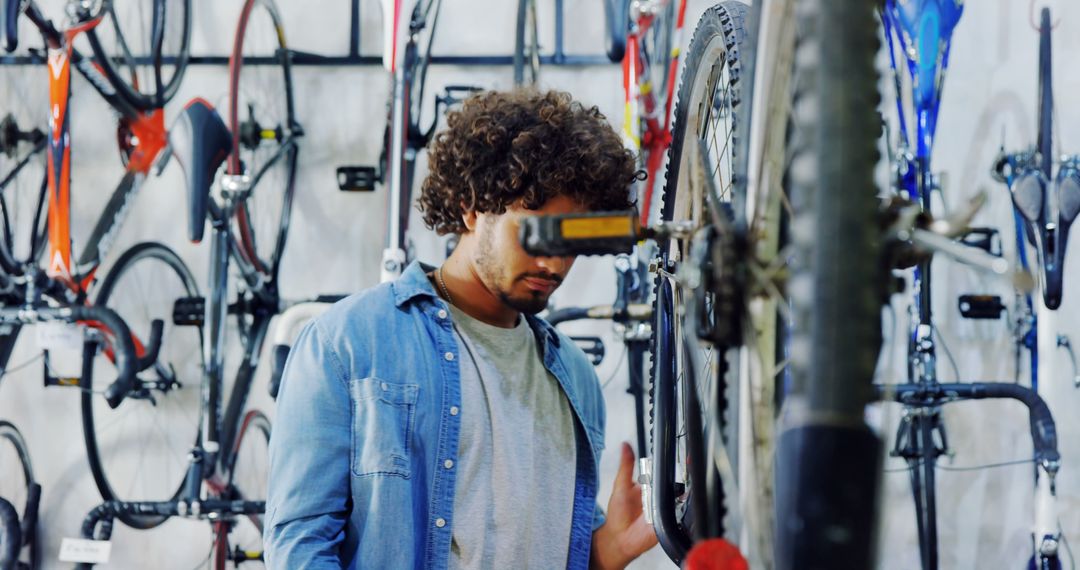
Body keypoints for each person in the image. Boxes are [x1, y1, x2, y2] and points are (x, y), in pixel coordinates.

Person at [265, 89, 657, 569]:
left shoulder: (576, 380)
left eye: (569, 241)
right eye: (534, 233)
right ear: (473, 207)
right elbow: (299, 549)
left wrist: (605, 551)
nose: (553, 262)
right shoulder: (347, 343)